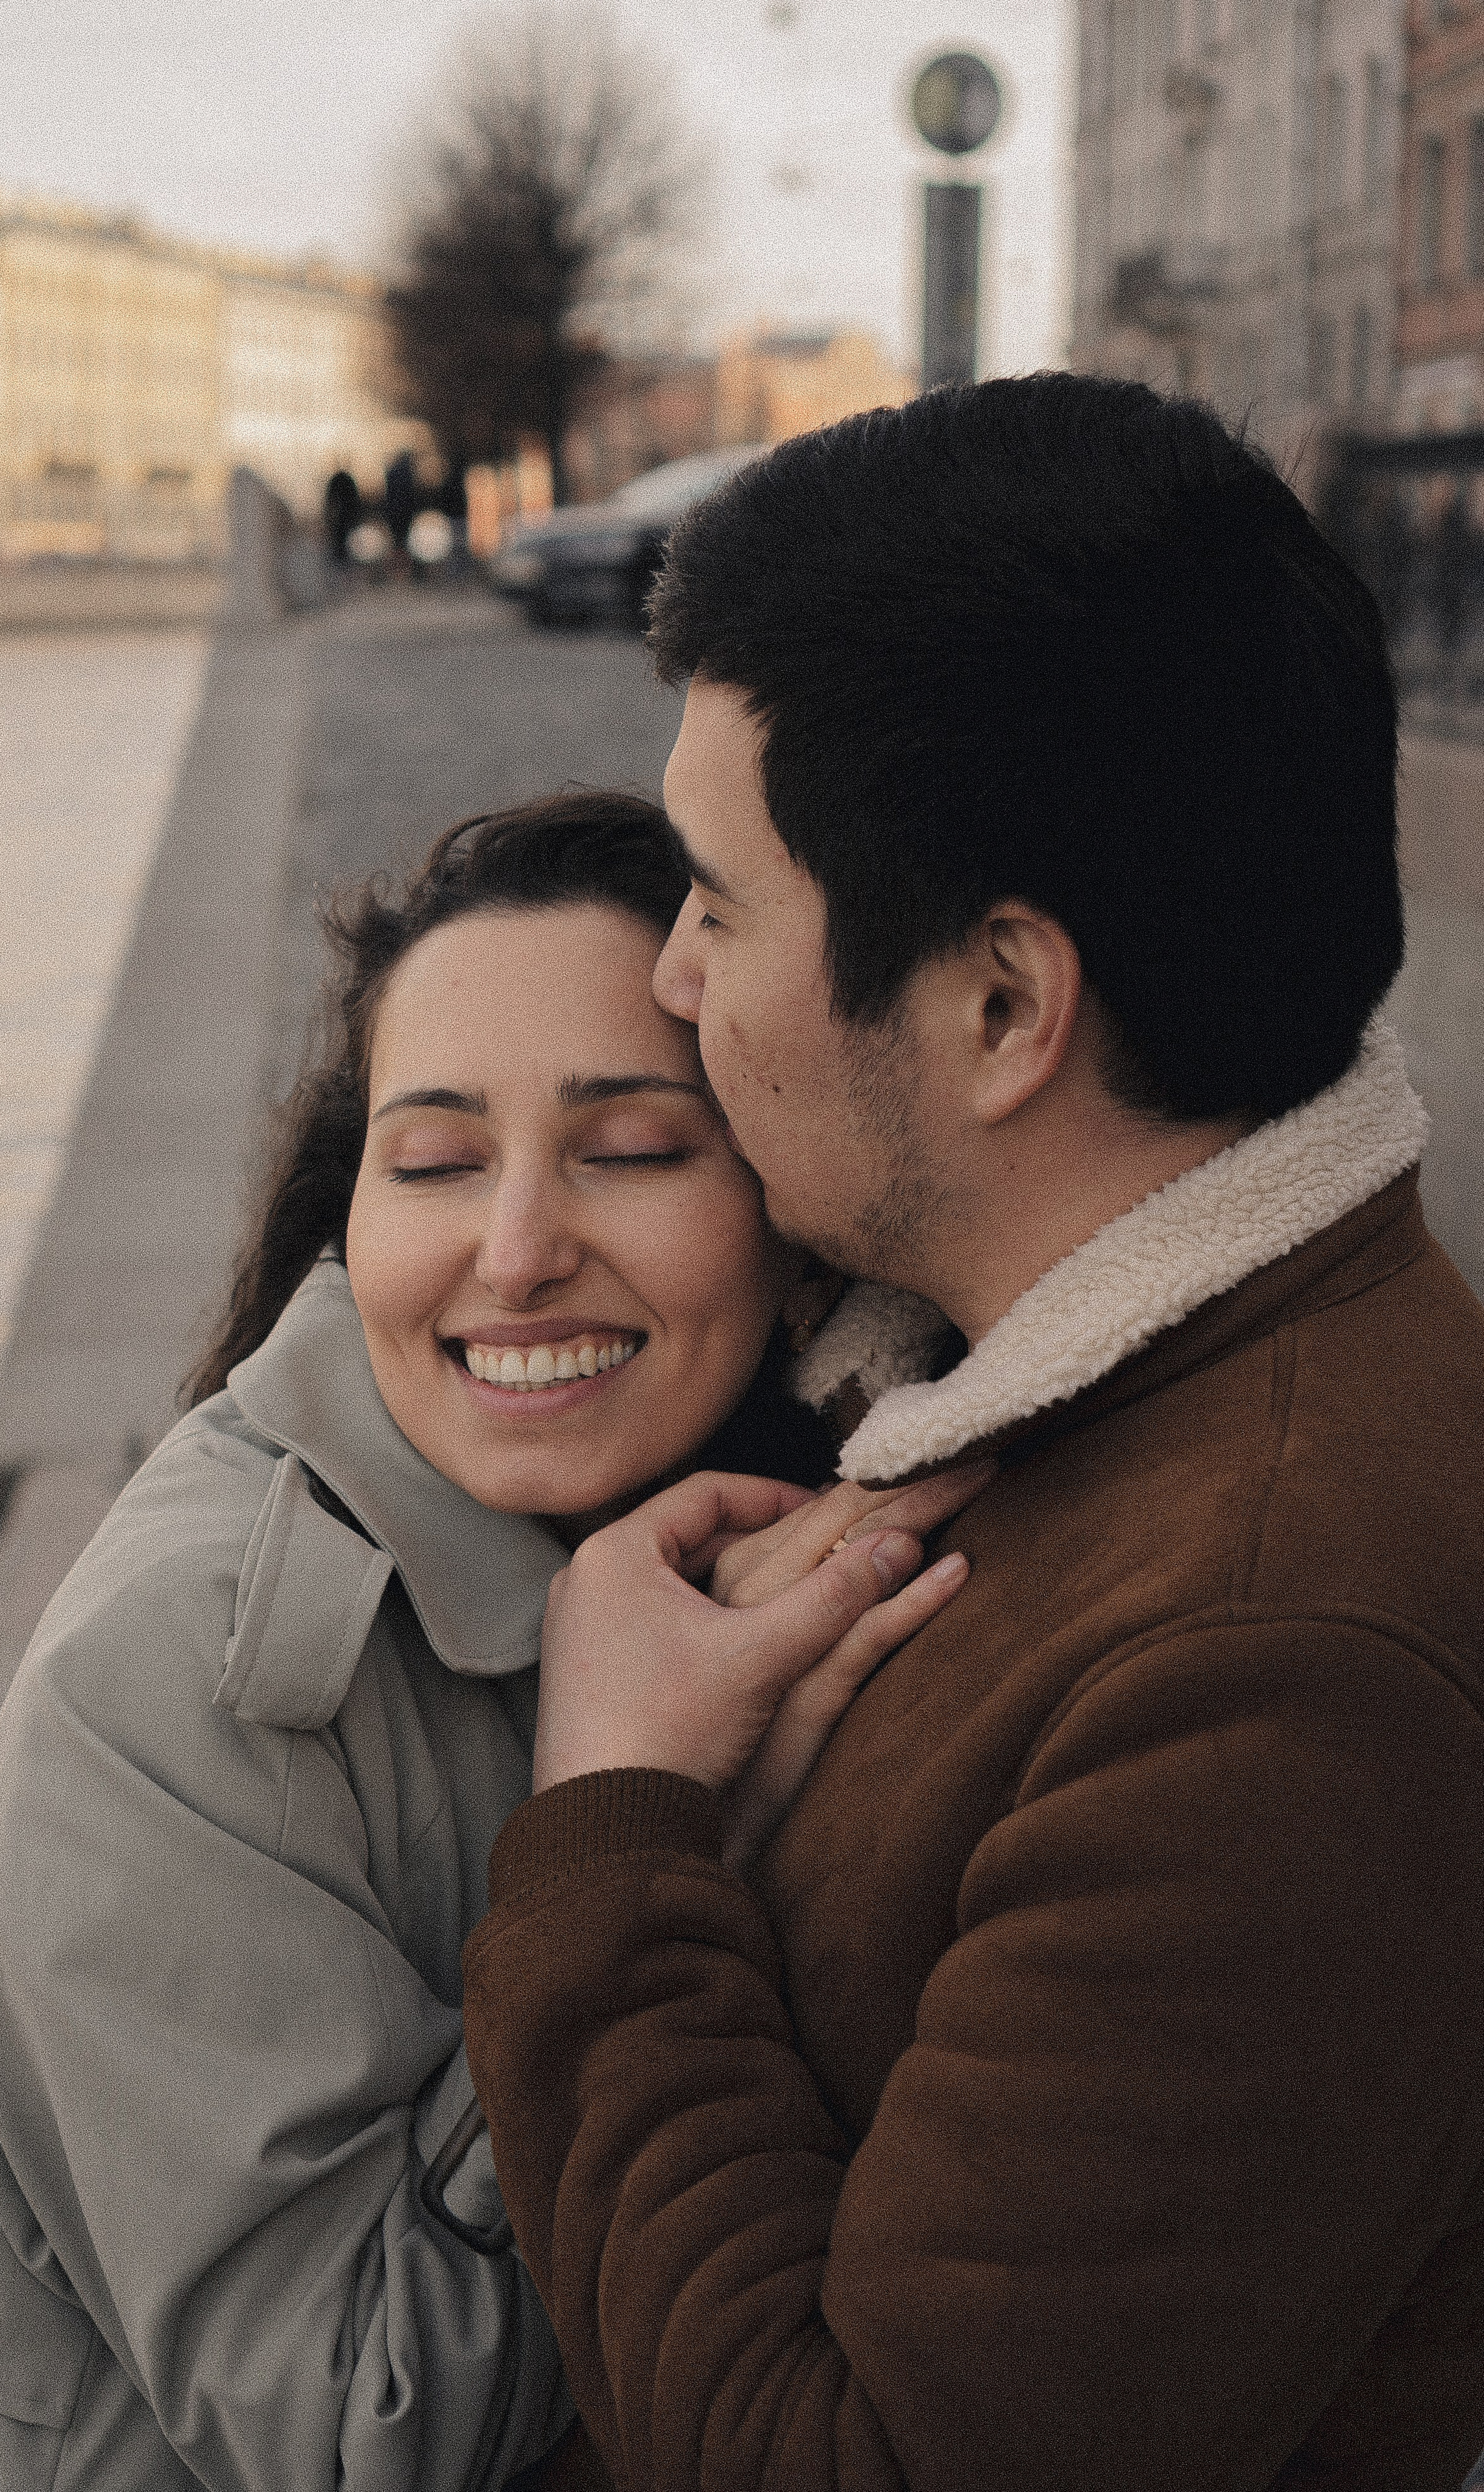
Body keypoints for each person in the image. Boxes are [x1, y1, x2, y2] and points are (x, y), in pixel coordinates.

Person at [459, 376, 1484, 2491]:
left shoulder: (1273, 1678)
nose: (668, 975)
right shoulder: (1047, 1387)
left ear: (1002, 1007)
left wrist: (617, 1824)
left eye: (725, 904)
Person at [0, 792, 979, 2491]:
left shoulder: (786, 1523)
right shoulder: (192, 1673)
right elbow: (373, 2430)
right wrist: (648, 1825)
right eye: (434, 1162)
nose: (515, 1253)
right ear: (348, 1209)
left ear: (794, 1219)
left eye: (635, 1149)